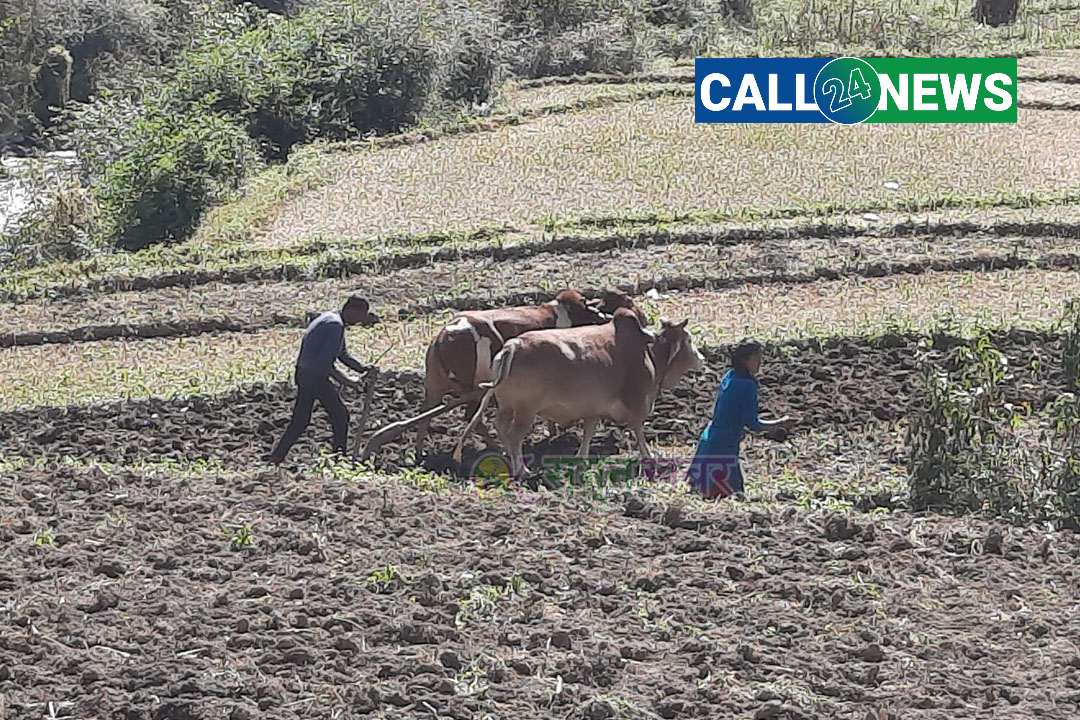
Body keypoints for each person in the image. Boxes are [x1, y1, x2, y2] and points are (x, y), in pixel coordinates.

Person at [267, 296, 378, 464]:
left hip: (303, 374)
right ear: (353, 311)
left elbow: (342, 354)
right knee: (340, 416)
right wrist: (349, 381)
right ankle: (339, 458)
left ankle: (277, 457)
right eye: (360, 315)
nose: (360, 320)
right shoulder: (335, 326)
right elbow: (327, 365)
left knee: (301, 420)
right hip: (315, 377)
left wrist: (362, 368)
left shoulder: (329, 318)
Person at [686, 338, 792, 498]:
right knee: (732, 497)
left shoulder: (730, 376)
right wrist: (779, 424)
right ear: (744, 360)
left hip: (708, 441)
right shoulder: (747, 385)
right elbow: (752, 423)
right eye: (756, 359)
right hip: (723, 450)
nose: (759, 363)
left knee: (707, 496)